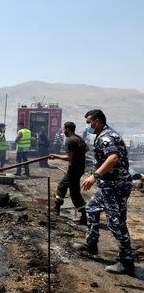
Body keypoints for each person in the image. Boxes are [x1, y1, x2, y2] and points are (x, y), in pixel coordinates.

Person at [74, 110, 134, 275]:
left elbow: (113, 158)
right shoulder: (103, 135)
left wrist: (95, 176)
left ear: (97, 121)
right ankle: (91, 244)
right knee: (91, 208)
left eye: (89, 123)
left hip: (116, 187)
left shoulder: (107, 137)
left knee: (116, 222)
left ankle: (126, 261)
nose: (88, 127)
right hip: (107, 186)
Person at [50, 122, 89, 225]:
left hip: (74, 169)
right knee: (72, 191)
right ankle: (84, 215)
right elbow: (86, 149)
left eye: (64, 129)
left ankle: (56, 209)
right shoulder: (79, 138)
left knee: (63, 187)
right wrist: (79, 157)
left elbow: (69, 158)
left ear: (67, 129)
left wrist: (56, 156)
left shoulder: (70, 140)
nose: (63, 130)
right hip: (80, 168)